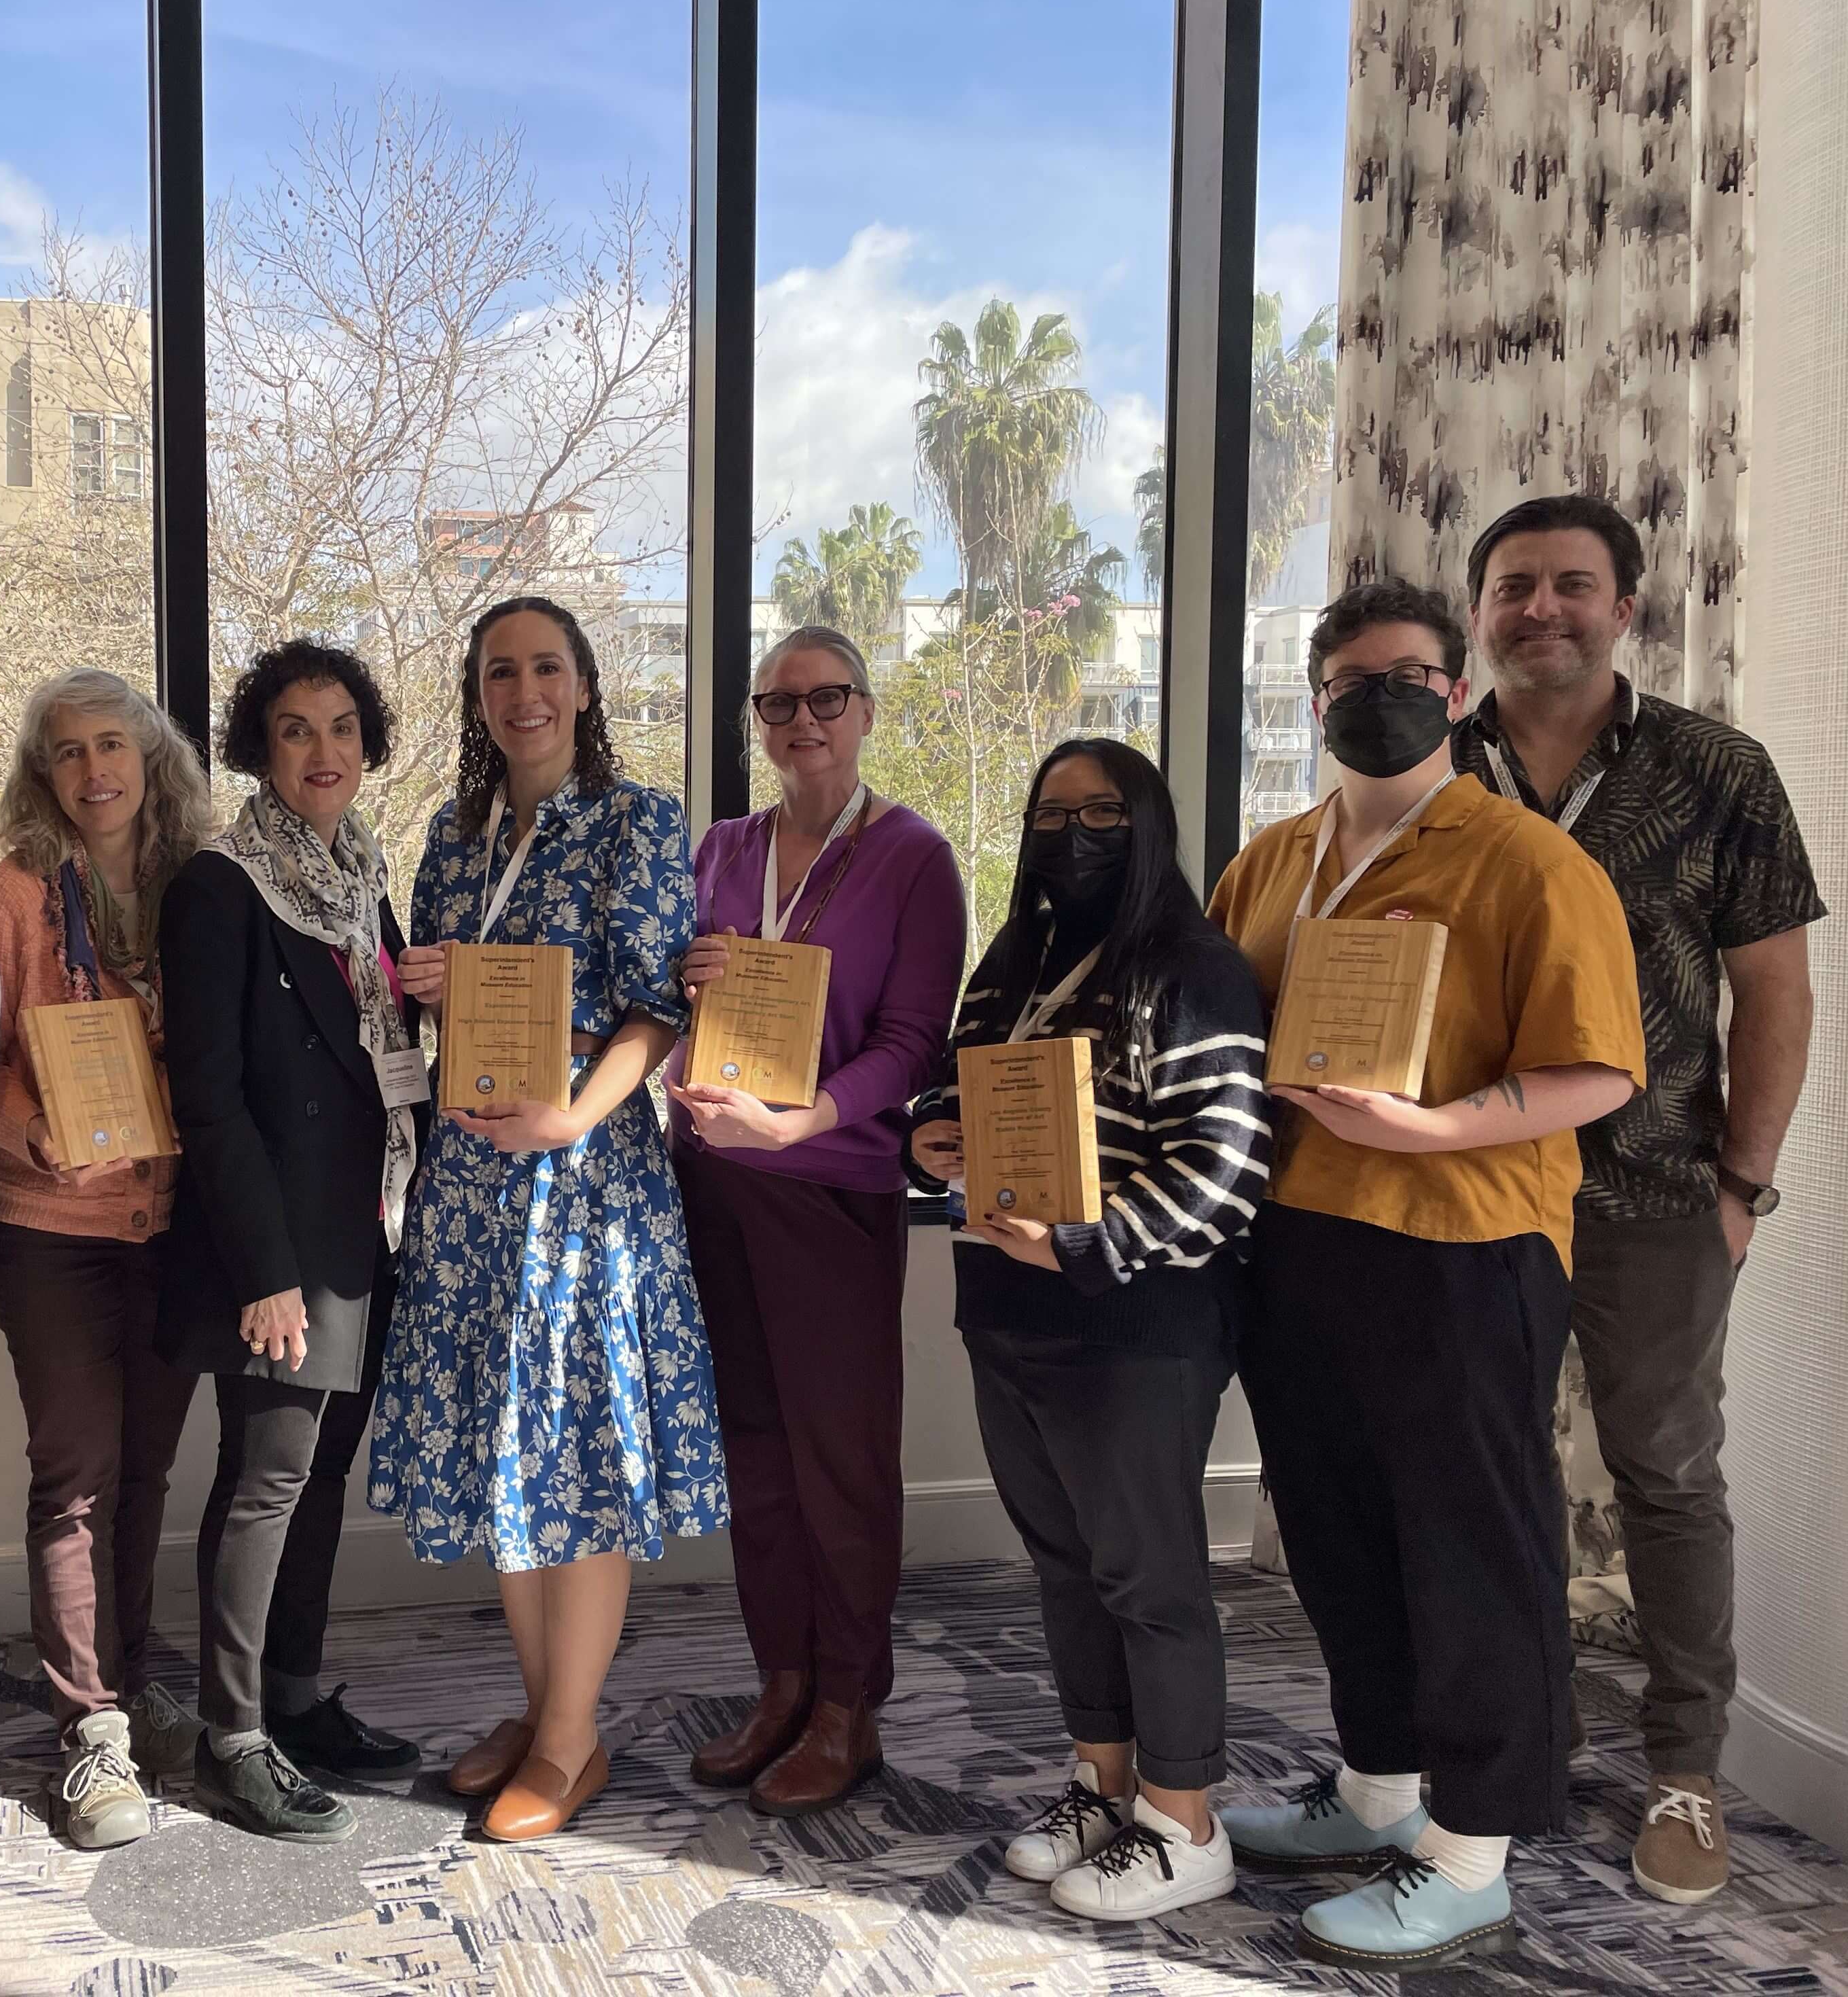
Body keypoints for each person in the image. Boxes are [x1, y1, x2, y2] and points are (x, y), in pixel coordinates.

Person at [1207, 579, 1646, 1973]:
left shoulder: (1526, 862)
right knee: (1339, 1534)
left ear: (1457, 694)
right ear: (1315, 696)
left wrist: (1439, 1124)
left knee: (1472, 1550)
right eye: (1346, 678)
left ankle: (1470, 1852)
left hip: (1465, 1246)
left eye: (1406, 672)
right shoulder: (1270, 861)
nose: (1373, 695)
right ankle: (1377, 1791)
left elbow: (1598, 1069)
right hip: (1299, 1244)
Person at [1453, 495, 1824, 1905]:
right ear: (1480, 609)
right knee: (1488, 1476)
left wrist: (1745, 1182)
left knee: (1667, 1478)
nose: (1540, 608)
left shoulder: (1717, 769)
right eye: (1513, 587)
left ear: (1626, 605)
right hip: (1477, 1190)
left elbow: (1775, 990)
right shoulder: (1431, 765)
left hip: (1664, 1190)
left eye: (1570, 585)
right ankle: (1508, 1739)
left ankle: (1686, 1771)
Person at [370, 595, 728, 1845]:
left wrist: (574, 1118)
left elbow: (656, 1014)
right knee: (506, 1456)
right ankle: (543, 1712)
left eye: (546, 668)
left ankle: (573, 1743)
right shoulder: (451, 834)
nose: (524, 691)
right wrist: (419, 986)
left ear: (583, 686)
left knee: (574, 1461)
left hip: (582, 1183)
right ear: (477, 694)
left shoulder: (638, 822)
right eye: (499, 672)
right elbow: (431, 1013)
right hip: (468, 1192)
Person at [902, 739, 1271, 1922]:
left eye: (1103, 812)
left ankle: (1187, 1819)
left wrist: (1085, 1239)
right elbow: (950, 1089)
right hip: (1007, 1312)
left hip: (1135, 1320)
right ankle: (1101, 1785)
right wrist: (930, 1137)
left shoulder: (1195, 967)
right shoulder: (1016, 958)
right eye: (1053, 813)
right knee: (1064, 1568)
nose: (1075, 835)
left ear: (1148, 826)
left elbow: (1228, 1166)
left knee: (1150, 1575)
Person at [666, 624, 963, 1816]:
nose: (803, 721)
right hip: (714, 1179)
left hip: (830, 1184)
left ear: (867, 711)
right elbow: (671, 991)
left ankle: (852, 1706)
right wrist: (687, 979)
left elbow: (911, 1044)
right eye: (778, 703)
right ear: (758, 722)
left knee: (840, 1461)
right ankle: (782, 1681)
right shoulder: (726, 847)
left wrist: (807, 1122)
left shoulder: (914, 858)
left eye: (827, 698)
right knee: (756, 1450)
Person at [158, 639, 429, 1842]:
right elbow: (207, 1096)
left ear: (367, 743)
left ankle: (297, 1696)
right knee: (266, 1482)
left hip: (363, 1230)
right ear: (259, 752)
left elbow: (379, 1051)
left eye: (340, 728)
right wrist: (263, 1274)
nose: (323, 752)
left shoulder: (359, 873)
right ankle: (234, 1735)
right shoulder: (221, 886)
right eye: (295, 732)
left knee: (321, 1481)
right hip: (275, 1250)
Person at [0, 669, 211, 1850]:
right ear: (43, 773)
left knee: (147, 1475)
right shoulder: (12, 897)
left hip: (174, 1226)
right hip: (48, 1229)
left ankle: (122, 1682)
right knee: (75, 1475)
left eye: (112, 745)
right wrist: (31, 1129)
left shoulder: (199, 887)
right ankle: (90, 1731)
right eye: (66, 753)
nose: (93, 772)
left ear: (151, 757)